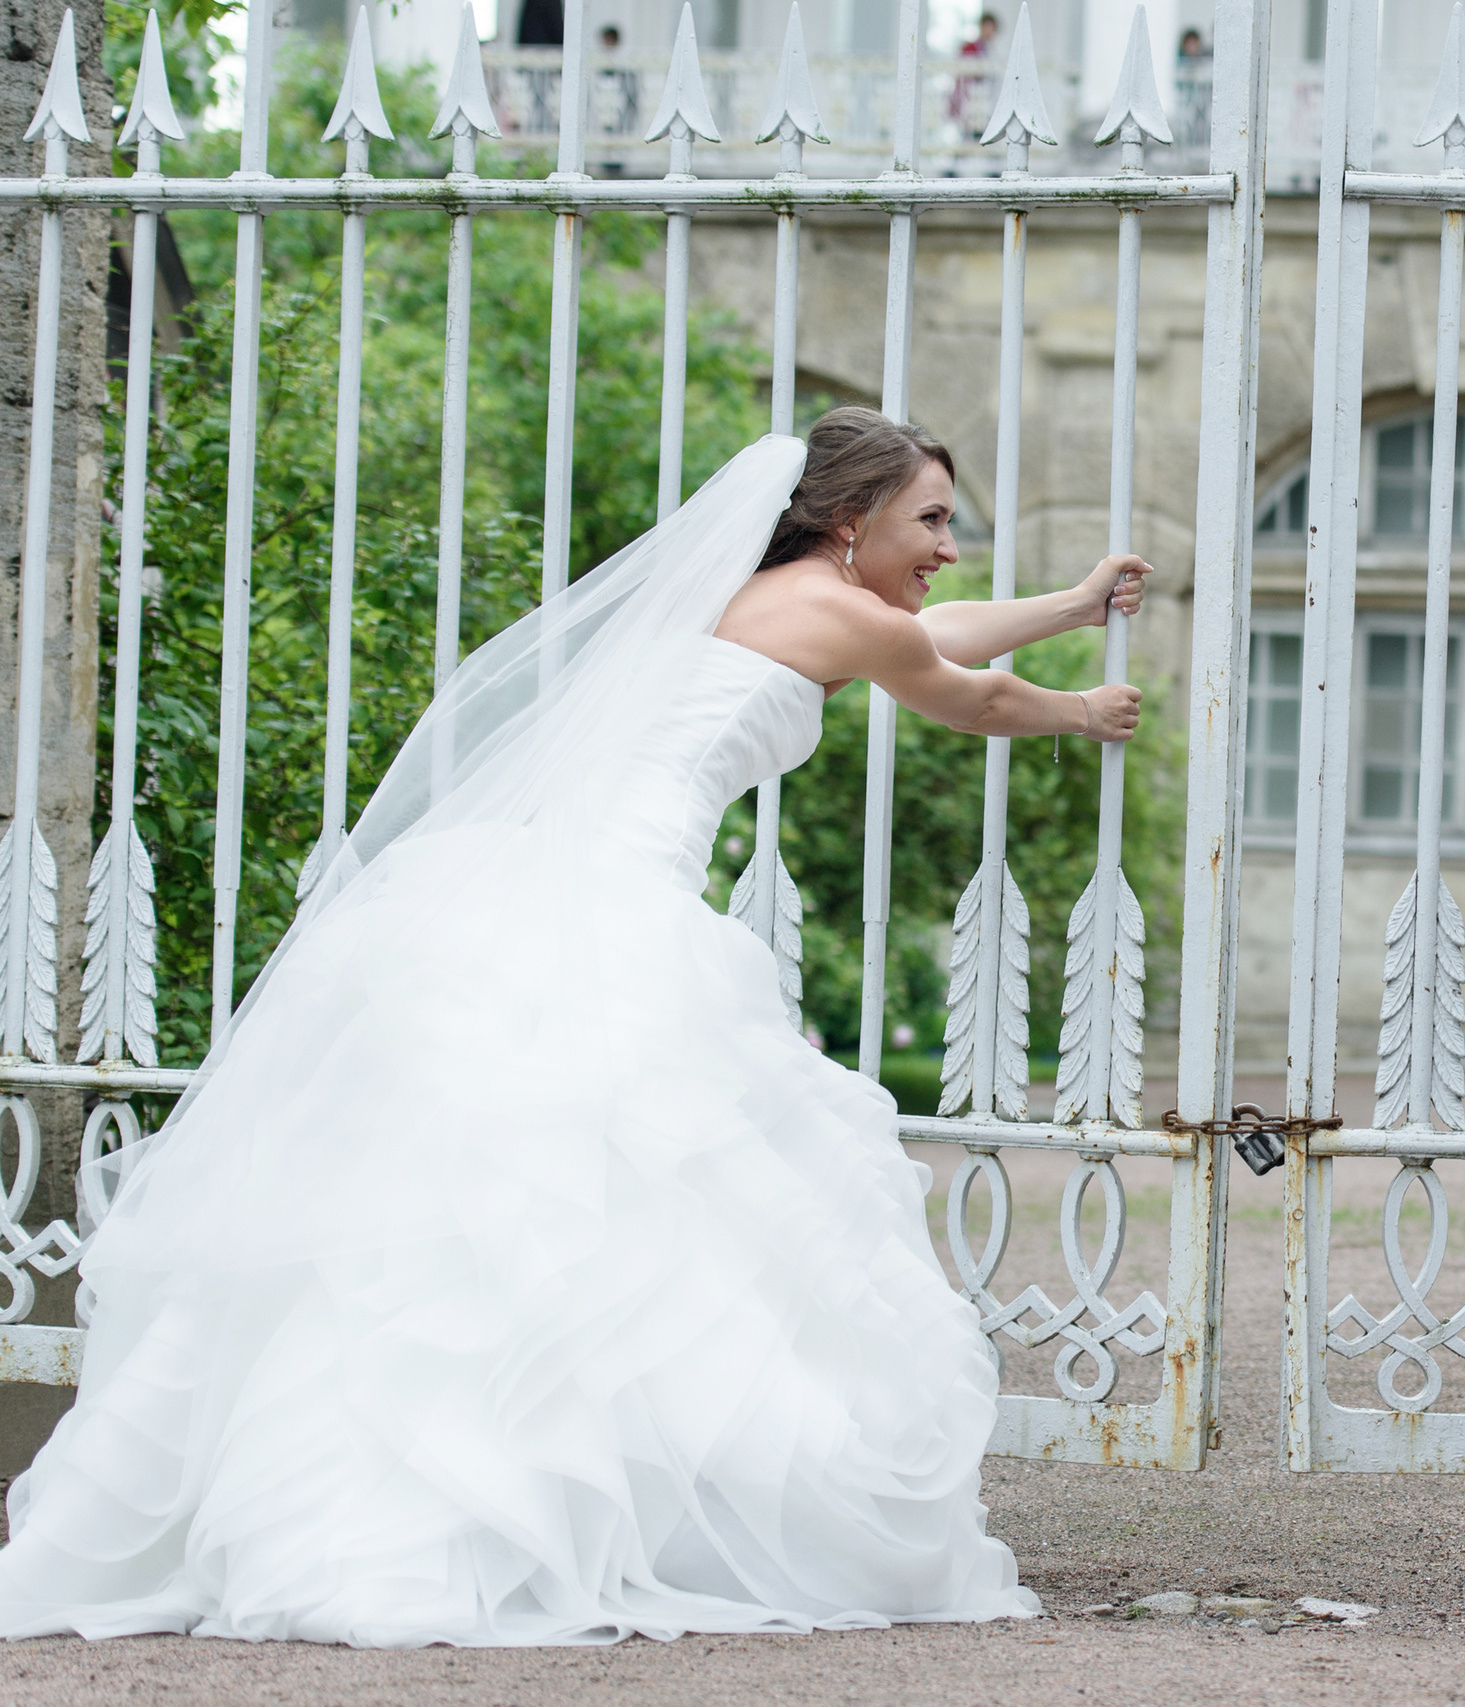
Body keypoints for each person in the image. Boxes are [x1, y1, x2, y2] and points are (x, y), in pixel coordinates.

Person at [0, 410, 1151, 1645]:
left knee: (494, 1212)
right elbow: (958, 687)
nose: (947, 547)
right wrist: (1077, 710)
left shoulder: (755, 593)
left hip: (521, 888)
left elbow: (926, 631)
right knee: (617, 1206)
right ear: (847, 519)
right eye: (930, 519)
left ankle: (449, 1504)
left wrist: (1071, 603)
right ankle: (547, 1508)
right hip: (614, 909)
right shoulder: (841, 611)